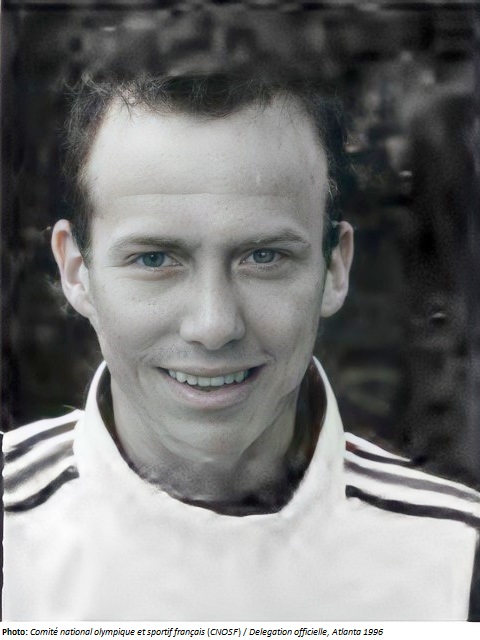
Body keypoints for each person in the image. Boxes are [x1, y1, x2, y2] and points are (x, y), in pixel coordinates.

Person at [3, 74, 480, 621]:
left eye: (264, 257)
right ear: (76, 270)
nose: (213, 326)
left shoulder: (457, 562)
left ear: (334, 267)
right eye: (155, 259)